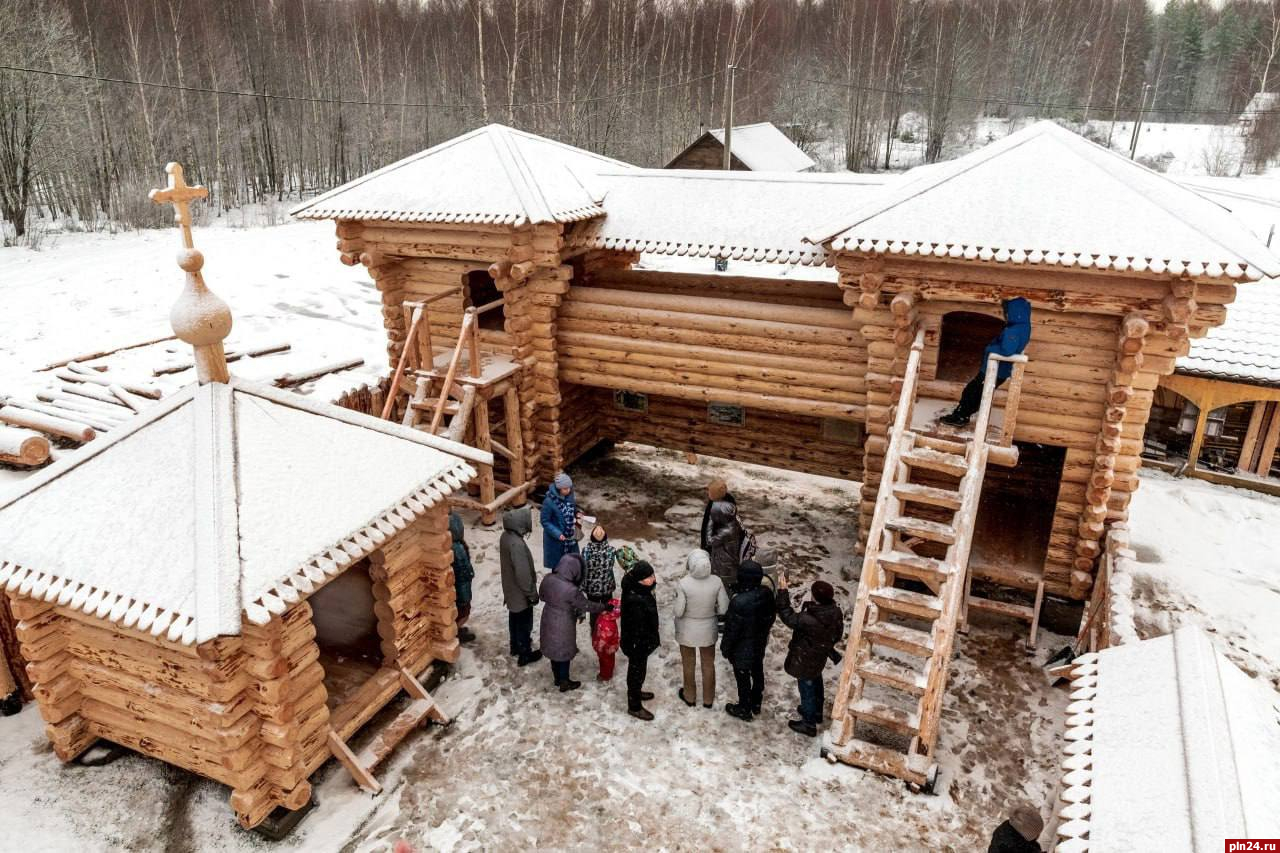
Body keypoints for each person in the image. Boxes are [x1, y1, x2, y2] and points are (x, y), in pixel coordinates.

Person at [941, 297, 1032, 427]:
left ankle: (960, 416)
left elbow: (1007, 350)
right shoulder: (1023, 327)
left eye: (1007, 311)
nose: (1006, 314)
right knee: (976, 391)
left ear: (1015, 312)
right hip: (1000, 370)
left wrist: (990, 349)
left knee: (972, 391)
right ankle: (963, 413)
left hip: (995, 370)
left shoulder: (1014, 330)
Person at [775, 575, 844, 737]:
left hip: (806, 657)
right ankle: (816, 712)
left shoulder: (809, 619)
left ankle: (808, 723)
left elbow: (787, 616)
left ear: (815, 597)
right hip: (818, 655)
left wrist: (783, 591)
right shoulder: (834, 612)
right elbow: (837, 634)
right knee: (816, 681)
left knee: (806, 688)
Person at [538, 553, 608, 691]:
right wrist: (603, 607)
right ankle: (565, 681)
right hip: (564, 622)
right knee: (563, 651)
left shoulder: (548, 579)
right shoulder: (571, 590)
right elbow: (586, 605)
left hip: (548, 617)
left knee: (554, 649)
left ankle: (557, 678)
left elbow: (542, 595)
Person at [672, 549, 728, 709]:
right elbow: (724, 608)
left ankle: (690, 696)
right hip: (708, 629)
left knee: (688, 664)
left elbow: (678, 611)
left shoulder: (684, 583)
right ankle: (708, 699)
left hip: (687, 630)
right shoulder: (716, 581)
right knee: (708, 664)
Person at [721, 560, 775, 721]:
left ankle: (744, 708)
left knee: (742, 678)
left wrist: (725, 648)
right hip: (759, 643)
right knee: (757, 671)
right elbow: (771, 616)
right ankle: (756, 701)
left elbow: (732, 630)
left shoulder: (738, 603)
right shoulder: (766, 593)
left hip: (742, 648)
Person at [499, 507, 542, 666]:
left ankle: (515, 646)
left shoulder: (506, 537)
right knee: (524, 622)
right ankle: (525, 654)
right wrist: (531, 594)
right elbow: (523, 574)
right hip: (520, 593)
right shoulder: (517, 544)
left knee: (514, 618)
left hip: (510, 590)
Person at [619, 561, 660, 720]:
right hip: (637, 643)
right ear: (640, 580)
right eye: (649, 576)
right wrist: (643, 642)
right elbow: (637, 626)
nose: (653, 578)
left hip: (641, 641)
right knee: (636, 672)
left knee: (639, 670)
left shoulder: (639, 589)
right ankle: (634, 706)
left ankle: (637, 692)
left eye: (652, 574)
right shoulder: (635, 598)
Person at [541, 472, 582, 569]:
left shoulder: (570, 495)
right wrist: (557, 534)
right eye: (565, 489)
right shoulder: (549, 502)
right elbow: (545, 521)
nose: (568, 490)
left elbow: (572, 508)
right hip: (556, 541)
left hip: (570, 538)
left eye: (569, 488)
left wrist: (577, 513)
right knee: (559, 568)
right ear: (559, 488)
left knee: (572, 566)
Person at [448, 511, 476, 643]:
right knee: (463, 613)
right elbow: (462, 573)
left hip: (460, 588)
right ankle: (455, 633)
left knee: (461, 612)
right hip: (461, 590)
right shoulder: (457, 548)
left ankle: (456, 630)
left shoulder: (454, 545)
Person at [706, 499, 744, 594]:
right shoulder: (734, 523)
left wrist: (710, 522)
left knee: (724, 592)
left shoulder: (726, 532)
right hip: (729, 565)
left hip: (725, 568)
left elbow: (710, 541)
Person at [699, 478, 735, 552]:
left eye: (710, 492)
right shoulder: (724, 500)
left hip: (717, 542)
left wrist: (705, 544)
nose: (708, 493)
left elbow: (708, 525)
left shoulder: (717, 507)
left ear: (715, 494)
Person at [591, 597, 621, 681]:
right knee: (607, 661)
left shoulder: (607, 622)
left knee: (606, 661)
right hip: (607, 646)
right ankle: (605, 672)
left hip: (605, 648)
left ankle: (606, 675)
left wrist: (599, 646)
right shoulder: (607, 619)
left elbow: (604, 639)